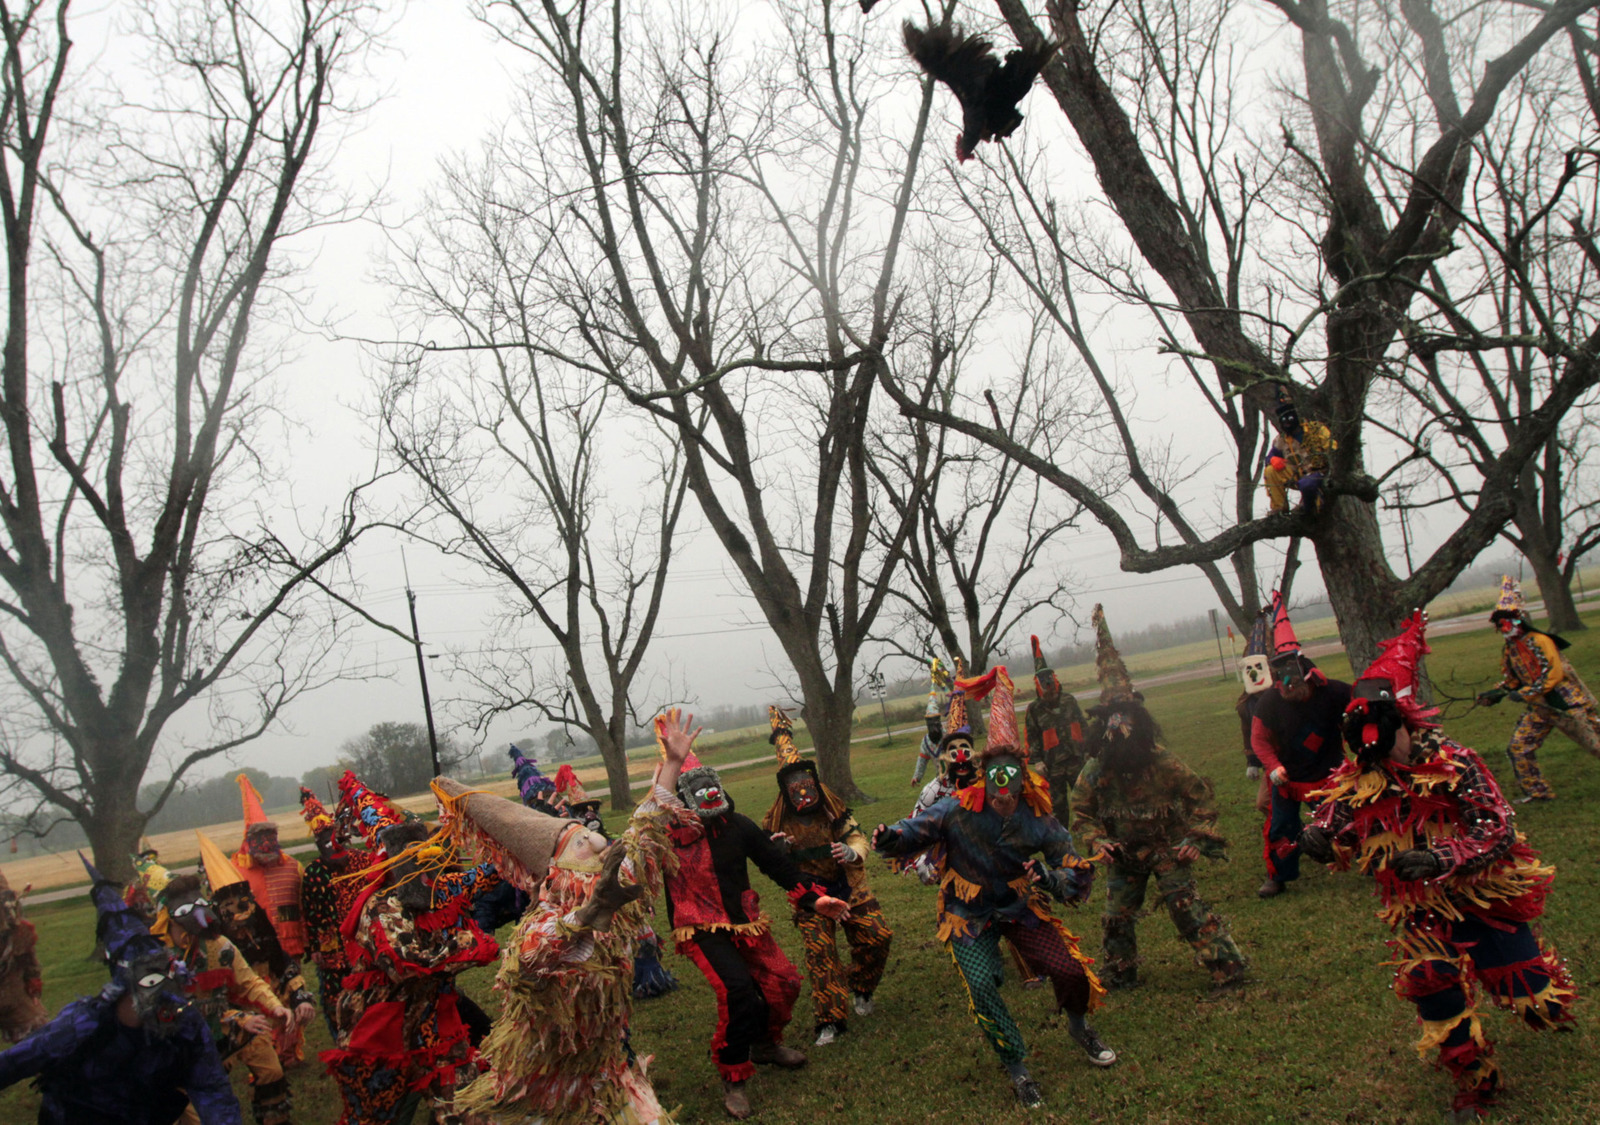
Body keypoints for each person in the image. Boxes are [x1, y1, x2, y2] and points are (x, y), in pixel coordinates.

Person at [1300, 611, 1575, 1122]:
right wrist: (1319, 836)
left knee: (1530, 993)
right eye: (1369, 755)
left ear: (1405, 725)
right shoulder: (1363, 768)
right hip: (1419, 906)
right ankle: (1474, 1079)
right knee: (1430, 978)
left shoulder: (1456, 761)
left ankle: (1546, 1000)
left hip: (1480, 893)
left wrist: (1440, 857)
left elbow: (1498, 829)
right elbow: (1334, 814)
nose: (1380, 762)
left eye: (1387, 748)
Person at [439, 709, 700, 1125]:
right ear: (555, 870)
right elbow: (525, 962)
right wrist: (586, 915)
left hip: (606, 1065)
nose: (597, 842)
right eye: (581, 843)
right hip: (549, 1072)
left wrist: (671, 763)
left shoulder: (614, 879)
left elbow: (645, 827)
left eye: (590, 835)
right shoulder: (545, 914)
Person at [873, 664, 1113, 1110]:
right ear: (986, 776)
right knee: (982, 985)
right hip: (967, 915)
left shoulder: (1038, 815)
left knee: (1069, 969)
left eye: (1012, 778)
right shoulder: (956, 807)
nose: (1003, 788)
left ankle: (1080, 1028)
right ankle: (1017, 1067)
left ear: (1024, 777)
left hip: (1019, 905)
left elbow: (1075, 870)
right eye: (995, 777)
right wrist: (891, 838)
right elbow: (916, 830)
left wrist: (1051, 878)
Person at [657, 733, 850, 1119]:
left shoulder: (738, 825)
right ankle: (734, 1076)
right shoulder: (666, 835)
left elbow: (777, 867)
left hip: (744, 923)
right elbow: (646, 817)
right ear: (682, 798)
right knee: (738, 991)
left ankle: (765, 1043)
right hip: (700, 927)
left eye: (714, 787)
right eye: (699, 790)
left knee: (785, 983)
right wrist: (672, 766)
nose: (710, 795)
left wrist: (815, 899)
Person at [1068, 611, 1245, 992]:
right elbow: (1080, 812)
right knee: (1117, 916)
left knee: (1186, 908)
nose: (1120, 729)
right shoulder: (1097, 769)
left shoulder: (1163, 760)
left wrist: (1196, 839)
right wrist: (1098, 840)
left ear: (1140, 720)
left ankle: (1227, 966)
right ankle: (1120, 972)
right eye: (1112, 721)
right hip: (1124, 853)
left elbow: (1201, 797)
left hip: (1169, 849)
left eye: (1127, 719)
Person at [0, 857, 242, 1125]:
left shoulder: (185, 1025)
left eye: (166, 978)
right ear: (124, 988)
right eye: (150, 983)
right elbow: (16, 1061)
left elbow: (212, 1089)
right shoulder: (82, 1024)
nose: (162, 995)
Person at [321, 818, 501, 1125]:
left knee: (470, 1107)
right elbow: (407, 963)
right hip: (382, 1031)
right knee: (374, 1117)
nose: (428, 872)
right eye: (418, 863)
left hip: (434, 1026)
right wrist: (476, 944)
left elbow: (483, 877)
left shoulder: (437, 890)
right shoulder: (381, 907)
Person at [761, 706, 892, 1047]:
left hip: (849, 887)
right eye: (795, 788)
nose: (803, 793)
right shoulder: (777, 823)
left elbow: (858, 837)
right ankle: (829, 1020)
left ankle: (861, 987)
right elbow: (767, 861)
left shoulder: (833, 810)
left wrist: (853, 852)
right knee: (821, 954)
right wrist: (777, 851)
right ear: (785, 792)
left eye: (807, 785)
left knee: (877, 936)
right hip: (811, 898)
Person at [157, 868, 297, 1125]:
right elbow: (173, 1012)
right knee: (190, 1111)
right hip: (182, 1041)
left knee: (271, 1069)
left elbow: (249, 982)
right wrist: (238, 1019)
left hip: (225, 1028)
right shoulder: (157, 958)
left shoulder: (218, 946)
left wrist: (275, 1006)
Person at [1250, 592, 1350, 898]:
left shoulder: (1335, 692)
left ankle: (1369, 861)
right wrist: (1272, 766)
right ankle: (1279, 875)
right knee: (1280, 828)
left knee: (1347, 821)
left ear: (1307, 675)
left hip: (1330, 773)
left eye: (1293, 683)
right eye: (1282, 683)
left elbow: (1361, 714)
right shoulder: (1269, 702)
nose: (1287, 689)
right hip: (1288, 778)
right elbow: (1259, 739)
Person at [195, 830, 316, 1067]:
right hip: (237, 1000)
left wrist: (300, 997)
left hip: (265, 985)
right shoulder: (215, 944)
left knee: (287, 1004)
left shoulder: (259, 925)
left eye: (243, 901)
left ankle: (286, 1055)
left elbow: (281, 962)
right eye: (228, 905)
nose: (239, 911)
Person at [1476, 575, 1600, 800]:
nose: (1502, 628)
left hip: (1567, 705)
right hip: (1539, 709)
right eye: (1498, 625)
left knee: (1596, 745)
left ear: (1518, 620)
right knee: (1518, 748)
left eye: (1506, 622)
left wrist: (1525, 693)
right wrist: (1496, 694)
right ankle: (1538, 792)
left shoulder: (1541, 641)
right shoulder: (1509, 650)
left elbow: (1553, 674)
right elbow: (1513, 680)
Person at [297, 785, 376, 1038]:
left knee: (369, 990)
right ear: (318, 847)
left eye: (338, 842)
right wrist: (315, 948)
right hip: (331, 946)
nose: (333, 849)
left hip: (363, 939)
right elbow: (310, 913)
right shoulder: (313, 873)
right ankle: (343, 1035)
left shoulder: (362, 862)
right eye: (325, 845)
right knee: (335, 995)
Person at [1024, 635, 1089, 798]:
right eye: (1043, 682)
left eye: (1050, 680)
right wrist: (1037, 761)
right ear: (1038, 686)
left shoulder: (1069, 700)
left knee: (1085, 799)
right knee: (1057, 808)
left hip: (1076, 759)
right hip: (1052, 766)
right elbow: (1032, 737)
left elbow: (1083, 725)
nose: (1048, 686)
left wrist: (1089, 749)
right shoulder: (1034, 709)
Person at [1263, 388, 1335, 513]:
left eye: (1289, 418)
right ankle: (1279, 508)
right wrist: (1273, 459)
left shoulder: (1316, 430)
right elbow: (1270, 457)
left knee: (1308, 485)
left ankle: (1309, 510)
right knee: (1270, 471)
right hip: (1298, 473)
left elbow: (1333, 450)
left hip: (1319, 472)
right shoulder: (1282, 440)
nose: (1287, 423)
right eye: (1283, 420)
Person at [0, 868, 46, 1042]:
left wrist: (32, 979)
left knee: (38, 1043)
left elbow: (26, 952)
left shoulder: (15, 930)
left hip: (12, 986)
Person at [911, 656, 952, 785]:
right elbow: (922, 761)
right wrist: (917, 777)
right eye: (930, 723)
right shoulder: (926, 742)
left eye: (935, 722)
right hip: (940, 779)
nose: (933, 726)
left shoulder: (949, 735)